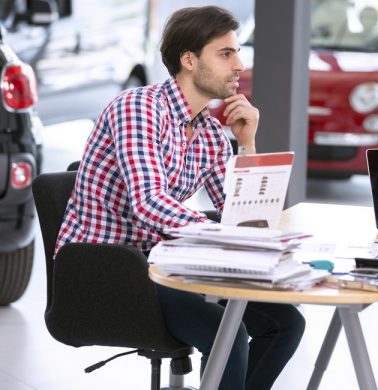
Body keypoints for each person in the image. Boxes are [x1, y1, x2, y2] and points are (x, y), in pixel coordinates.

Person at [54, 6, 305, 390]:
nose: (239, 64)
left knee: (286, 324)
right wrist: (217, 233)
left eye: (237, 53)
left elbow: (243, 215)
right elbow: (148, 203)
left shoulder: (208, 132)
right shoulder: (138, 108)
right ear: (189, 60)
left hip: (163, 264)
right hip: (105, 271)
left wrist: (247, 143)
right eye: (226, 54)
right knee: (229, 336)